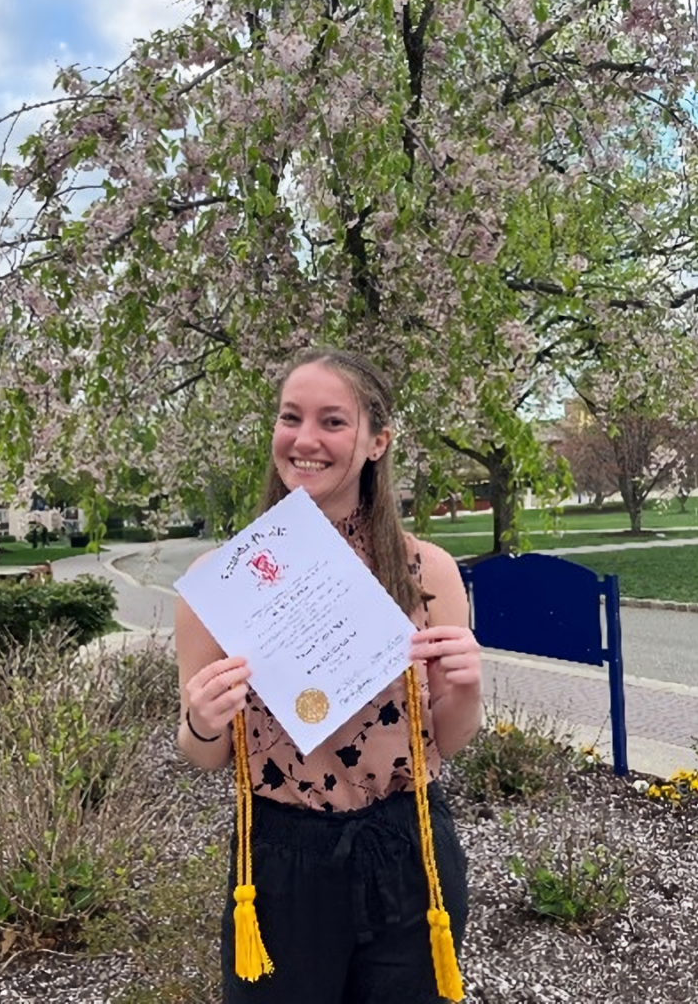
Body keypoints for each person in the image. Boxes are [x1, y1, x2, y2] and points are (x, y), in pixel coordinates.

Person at [175, 348, 482, 1004]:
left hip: (407, 848)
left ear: (378, 441)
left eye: (333, 421)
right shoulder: (220, 581)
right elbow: (202, 755)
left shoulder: (429, 573)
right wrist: (201, 720)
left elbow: (449, 741)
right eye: (291, 417)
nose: (305, 439)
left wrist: (465, 689)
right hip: (281, 862)